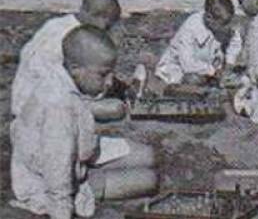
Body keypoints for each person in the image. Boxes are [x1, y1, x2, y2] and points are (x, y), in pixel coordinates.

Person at [10, 26, 158, 219]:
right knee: (149, 179)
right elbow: (57, 174)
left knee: (148, 155)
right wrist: (63, 211)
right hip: (49, 180)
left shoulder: (62, 77)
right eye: (103, 74)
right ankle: (95, 185)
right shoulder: (59, 107)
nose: (109, 82)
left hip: (78, 154)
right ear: (75, 69)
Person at [11, 0, 123, 120]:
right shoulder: (73, 39)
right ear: (101, 18)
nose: (107, 31)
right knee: (115, 109)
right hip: (36, 107)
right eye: (109, 25)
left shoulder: (56, 24)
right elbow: (62, 85)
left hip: (35, 98)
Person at [154, 0, 242, 85]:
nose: (227, 27)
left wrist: (229, 64)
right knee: (193, 80)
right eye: (223, 24)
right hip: (178, 69)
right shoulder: (191, 27)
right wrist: (213, 71)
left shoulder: (224, 25)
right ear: (209, 18)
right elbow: (187, 64)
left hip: (209, 67)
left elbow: (235, 41)